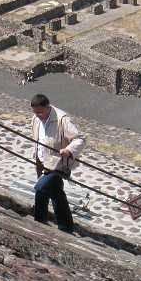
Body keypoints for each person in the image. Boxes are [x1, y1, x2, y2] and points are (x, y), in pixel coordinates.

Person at [30, 94, 86, 233]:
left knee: (41, 188)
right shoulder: (36, 119)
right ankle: (66, 226)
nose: (37, 115)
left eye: (40, 112)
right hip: (43, 163)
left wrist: (68, 150)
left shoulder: (62, 119)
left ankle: (40, 221)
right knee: (56, 194)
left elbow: (80, 138)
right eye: (35, 113)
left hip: (58, 164)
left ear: (47, 107)